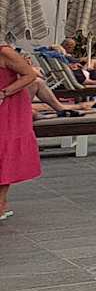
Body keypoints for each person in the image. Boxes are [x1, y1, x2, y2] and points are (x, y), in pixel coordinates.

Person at [1, 40, 51, 222]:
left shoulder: (4, 52)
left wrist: (4, 92)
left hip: (9, 107)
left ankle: (0, 203)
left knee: (5, 150)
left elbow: (30, 75)